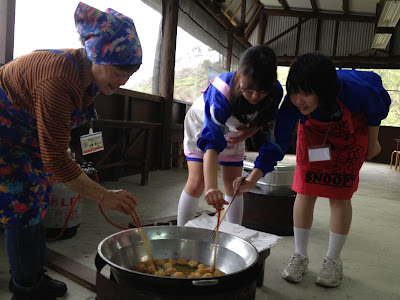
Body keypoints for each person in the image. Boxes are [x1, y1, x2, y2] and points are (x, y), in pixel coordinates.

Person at [0, 2, 142, 299]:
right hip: (5, 132)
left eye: (129, 74)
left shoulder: (87, 74)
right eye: (118, 72)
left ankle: (33, 274)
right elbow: (55, 160)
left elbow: (57, 141)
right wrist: (104, 196)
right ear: (97, 56)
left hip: (27, 134)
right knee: (22, 205)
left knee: (39, 198)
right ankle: (26, 288)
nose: (123, 81)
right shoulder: (57, 79)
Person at [233, 52, 391, 287]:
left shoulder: (353, 90)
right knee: (304, 191)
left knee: (339, 196)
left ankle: (333, 261)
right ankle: (300, 255)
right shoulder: (292, 104)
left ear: (324, 90)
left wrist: (374, 140)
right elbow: (277, 142)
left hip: (350, 136)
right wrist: (253, 178)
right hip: (314, 138)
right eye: (294, 91)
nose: (298, 100)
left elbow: (376, 108)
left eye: (306, 93)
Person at [177, 45, 283, 226]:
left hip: (235, 127)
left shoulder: (274, 92)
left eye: (262, 91)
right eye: (249, 89)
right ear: (240, 74)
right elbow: (212, 140)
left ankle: (235, 235)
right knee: (197, 182)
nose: (256, 96)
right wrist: (211, 187)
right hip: (201, 124)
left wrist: (250, 131)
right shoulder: (221, 90)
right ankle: (181, 234)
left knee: (234, 186)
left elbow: (265, 119)